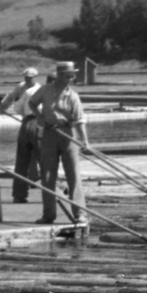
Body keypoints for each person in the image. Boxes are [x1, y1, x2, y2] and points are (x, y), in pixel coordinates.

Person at [27, 61, 90, 224]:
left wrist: (85, 141)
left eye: (72, 76)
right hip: (49, 133)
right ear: (60, 75)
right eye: (68, 76)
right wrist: (40, 116)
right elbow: (32, 103)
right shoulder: (45, 90)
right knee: (48, 175)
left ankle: (80, 214)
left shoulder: (73, 96)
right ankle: (48, 214)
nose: (71, 79)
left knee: (73, 174)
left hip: (68, 134)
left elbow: (80, 120)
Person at [0, 67, 42, 203]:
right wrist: (2, 107)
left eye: (30, 77)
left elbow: (17, 106)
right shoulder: (21, 86)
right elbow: (11, 97)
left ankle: (52, 193)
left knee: (43, 159)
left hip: (36, 121)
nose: (27, 79)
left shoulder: (37, 90)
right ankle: (19, 194)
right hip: (27, 121)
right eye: (26, 77)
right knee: (22, 160)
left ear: (35, 77)